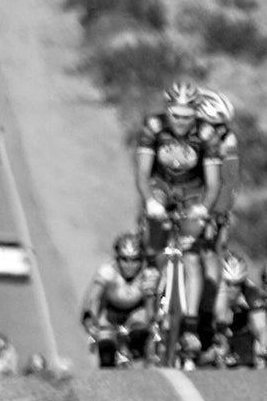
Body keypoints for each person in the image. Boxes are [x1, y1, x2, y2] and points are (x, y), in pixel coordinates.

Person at [135, 81, 222, 362]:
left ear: (195, 114)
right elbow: (142, 174)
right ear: (167, 111)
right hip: (161, 187)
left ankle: (190, 327)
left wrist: (204, 209)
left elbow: (214, 182)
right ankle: (150, 300)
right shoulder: (153, 127)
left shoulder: (207, 135)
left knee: (192, 259)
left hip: (192, 193)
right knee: (154, 247)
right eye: (175, 115)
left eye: (187, 117)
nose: (181, 122)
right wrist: (150, 200)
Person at [195, 89, 239, 354]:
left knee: (212, 254)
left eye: (224, 127)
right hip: (184, 197)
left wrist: (218, 214)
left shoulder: (228, 141)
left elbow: (230, 182)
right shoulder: (186, 136)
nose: (221, 132)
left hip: (210, 206)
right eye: (216, 127)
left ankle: (205, 320)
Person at [80, 232, 161, 367]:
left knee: (138, 340)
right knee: (106, 356)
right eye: (125, 259)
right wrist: (89, 318)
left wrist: (151, 324)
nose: (130, 265)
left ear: (142, 259)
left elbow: (150, 306)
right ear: (117, 259)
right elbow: (92, 297)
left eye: (135, 259)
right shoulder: (107, 271)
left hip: (136, 314)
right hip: (110, 315)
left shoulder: (148, 274)